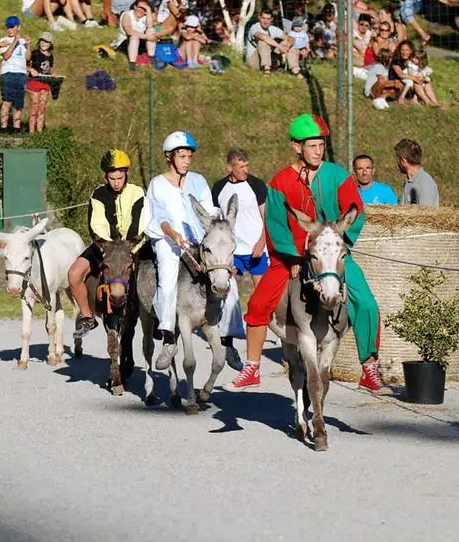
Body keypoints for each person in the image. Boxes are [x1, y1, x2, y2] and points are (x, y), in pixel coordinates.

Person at [227, 114, 391, 395]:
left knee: (366, 302)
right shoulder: (280, 181)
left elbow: (355, 211)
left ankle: (369, 368)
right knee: (258, 303)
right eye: (312, 145)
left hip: (332, 253)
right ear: (296, 147)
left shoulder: (338, 176)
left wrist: (341, 241)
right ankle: (252, 367)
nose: (318, 150)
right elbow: (276, 222)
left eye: (321, 145)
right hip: (288, 257)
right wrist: (291, 257)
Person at [145, 131, 216, 369]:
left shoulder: (198, 181)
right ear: (169, 157)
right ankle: (167, 336)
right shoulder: (157, 184)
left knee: (224, 274)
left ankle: (227, 337)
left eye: (189, 156)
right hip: (168, 239)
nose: (186, 160)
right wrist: (172, 234)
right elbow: (159, 217)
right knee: (167, 278)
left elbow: (209, 211)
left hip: (197, 240)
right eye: (182, 156)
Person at [69, 149, 147, 338]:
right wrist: (108, 248)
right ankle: (87, 316)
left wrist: (129, 248)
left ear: (126, 174)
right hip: (105, 247)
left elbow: (140, 223)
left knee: (154, 272)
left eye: (120, 177)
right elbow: (96, 225)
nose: (116, 182)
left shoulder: (137, 192)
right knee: (74, 274)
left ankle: (157, 315)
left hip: (132, 247)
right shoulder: (98, 194)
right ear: (106, 176)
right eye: (112, 178)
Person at [211, 147, 268, 371]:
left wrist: (262, 241)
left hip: (255, 249)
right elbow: (217, 222)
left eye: (247, 165)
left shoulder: (257, 185)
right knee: (228, 296)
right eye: (241, 166)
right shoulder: (219, 188)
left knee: (264, 299)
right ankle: (229, 345)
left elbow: (267, 217)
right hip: (232, 253)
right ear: (229, 167)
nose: (246, 169)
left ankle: (269, 346)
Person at [0, 16, 31, 134]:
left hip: (21, 73)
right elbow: (6, 56)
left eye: (12, 27)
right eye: (8, 27)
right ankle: (3, 128)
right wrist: (14, 41)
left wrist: (28, 45)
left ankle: (16, 129)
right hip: (8, 73)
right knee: (7, 100)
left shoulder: (23, 42)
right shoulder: (4, 40)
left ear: (18, 27)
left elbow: (28, 58)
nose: (9, 30)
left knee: (18, 103)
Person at [395, 138, 439, 206]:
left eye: (398, 160)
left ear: (403, 161)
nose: (397, 164)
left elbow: (425, 213)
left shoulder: (425, 183)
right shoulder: (409, 182)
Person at [26, 31, 55, 133]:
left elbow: (50, 69)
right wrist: (30, 70)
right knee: (34, 107)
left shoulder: (50, 56)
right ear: (39, 42)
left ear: (51, 44)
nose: (44, 43)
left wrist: (53, 74)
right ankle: (31, 132)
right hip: (34, 82)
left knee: (42, 108)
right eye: (42, 41)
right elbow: (24, 64)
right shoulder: (34, 53)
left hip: (45, 83)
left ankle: (39, 132)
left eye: (47, 42)